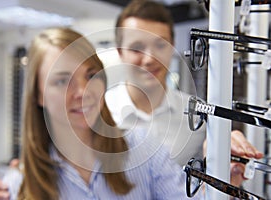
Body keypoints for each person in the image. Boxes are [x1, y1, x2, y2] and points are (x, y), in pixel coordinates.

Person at [0, 27, 200, 200]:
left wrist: (225, 178)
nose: (83, 92)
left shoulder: (145, 150)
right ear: (38, 95)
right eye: (62, 81)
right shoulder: (19, 186)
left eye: (90, 75)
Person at [105, 0, 263, 185]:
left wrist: (224, 163)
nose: (149, 58)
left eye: (160, 45)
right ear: (120, 51)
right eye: (137, 48)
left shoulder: (199, 115)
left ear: (172, 46)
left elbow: (203, 186)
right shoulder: (96, 114)